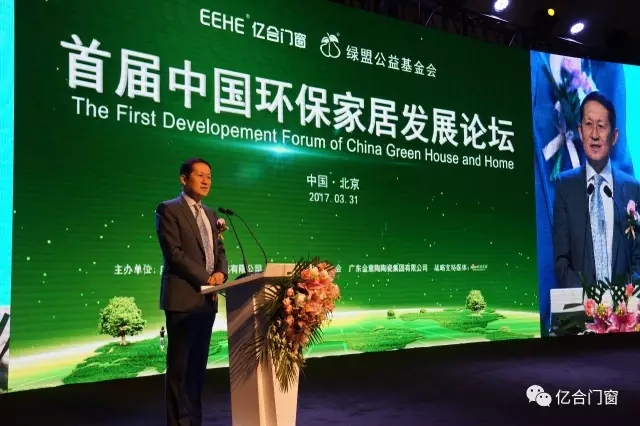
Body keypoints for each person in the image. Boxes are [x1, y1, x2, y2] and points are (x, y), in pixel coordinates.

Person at [155, 158, 228, 426]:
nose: (206, 180)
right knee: (180, 370)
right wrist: (207, 278)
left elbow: (220, 251)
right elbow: (174, 254)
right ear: (184, 179)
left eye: (209, 176)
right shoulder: (168, 209)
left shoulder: (210, 214)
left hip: (207, 301)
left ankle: (194, 422)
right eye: (200, 175)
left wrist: (221, 274)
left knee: (197, 371)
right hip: (182, 300)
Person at [553, 91, 640, 288]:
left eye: (601, 126)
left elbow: (638, 258)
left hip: (625, 305)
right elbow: (561, 261)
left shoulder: (633, 190)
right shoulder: (565, 186)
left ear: (614, 136)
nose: (594, 135)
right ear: (580, 131)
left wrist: (622, 299)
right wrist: (591, 301)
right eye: (588, 124)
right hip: (579, 305)